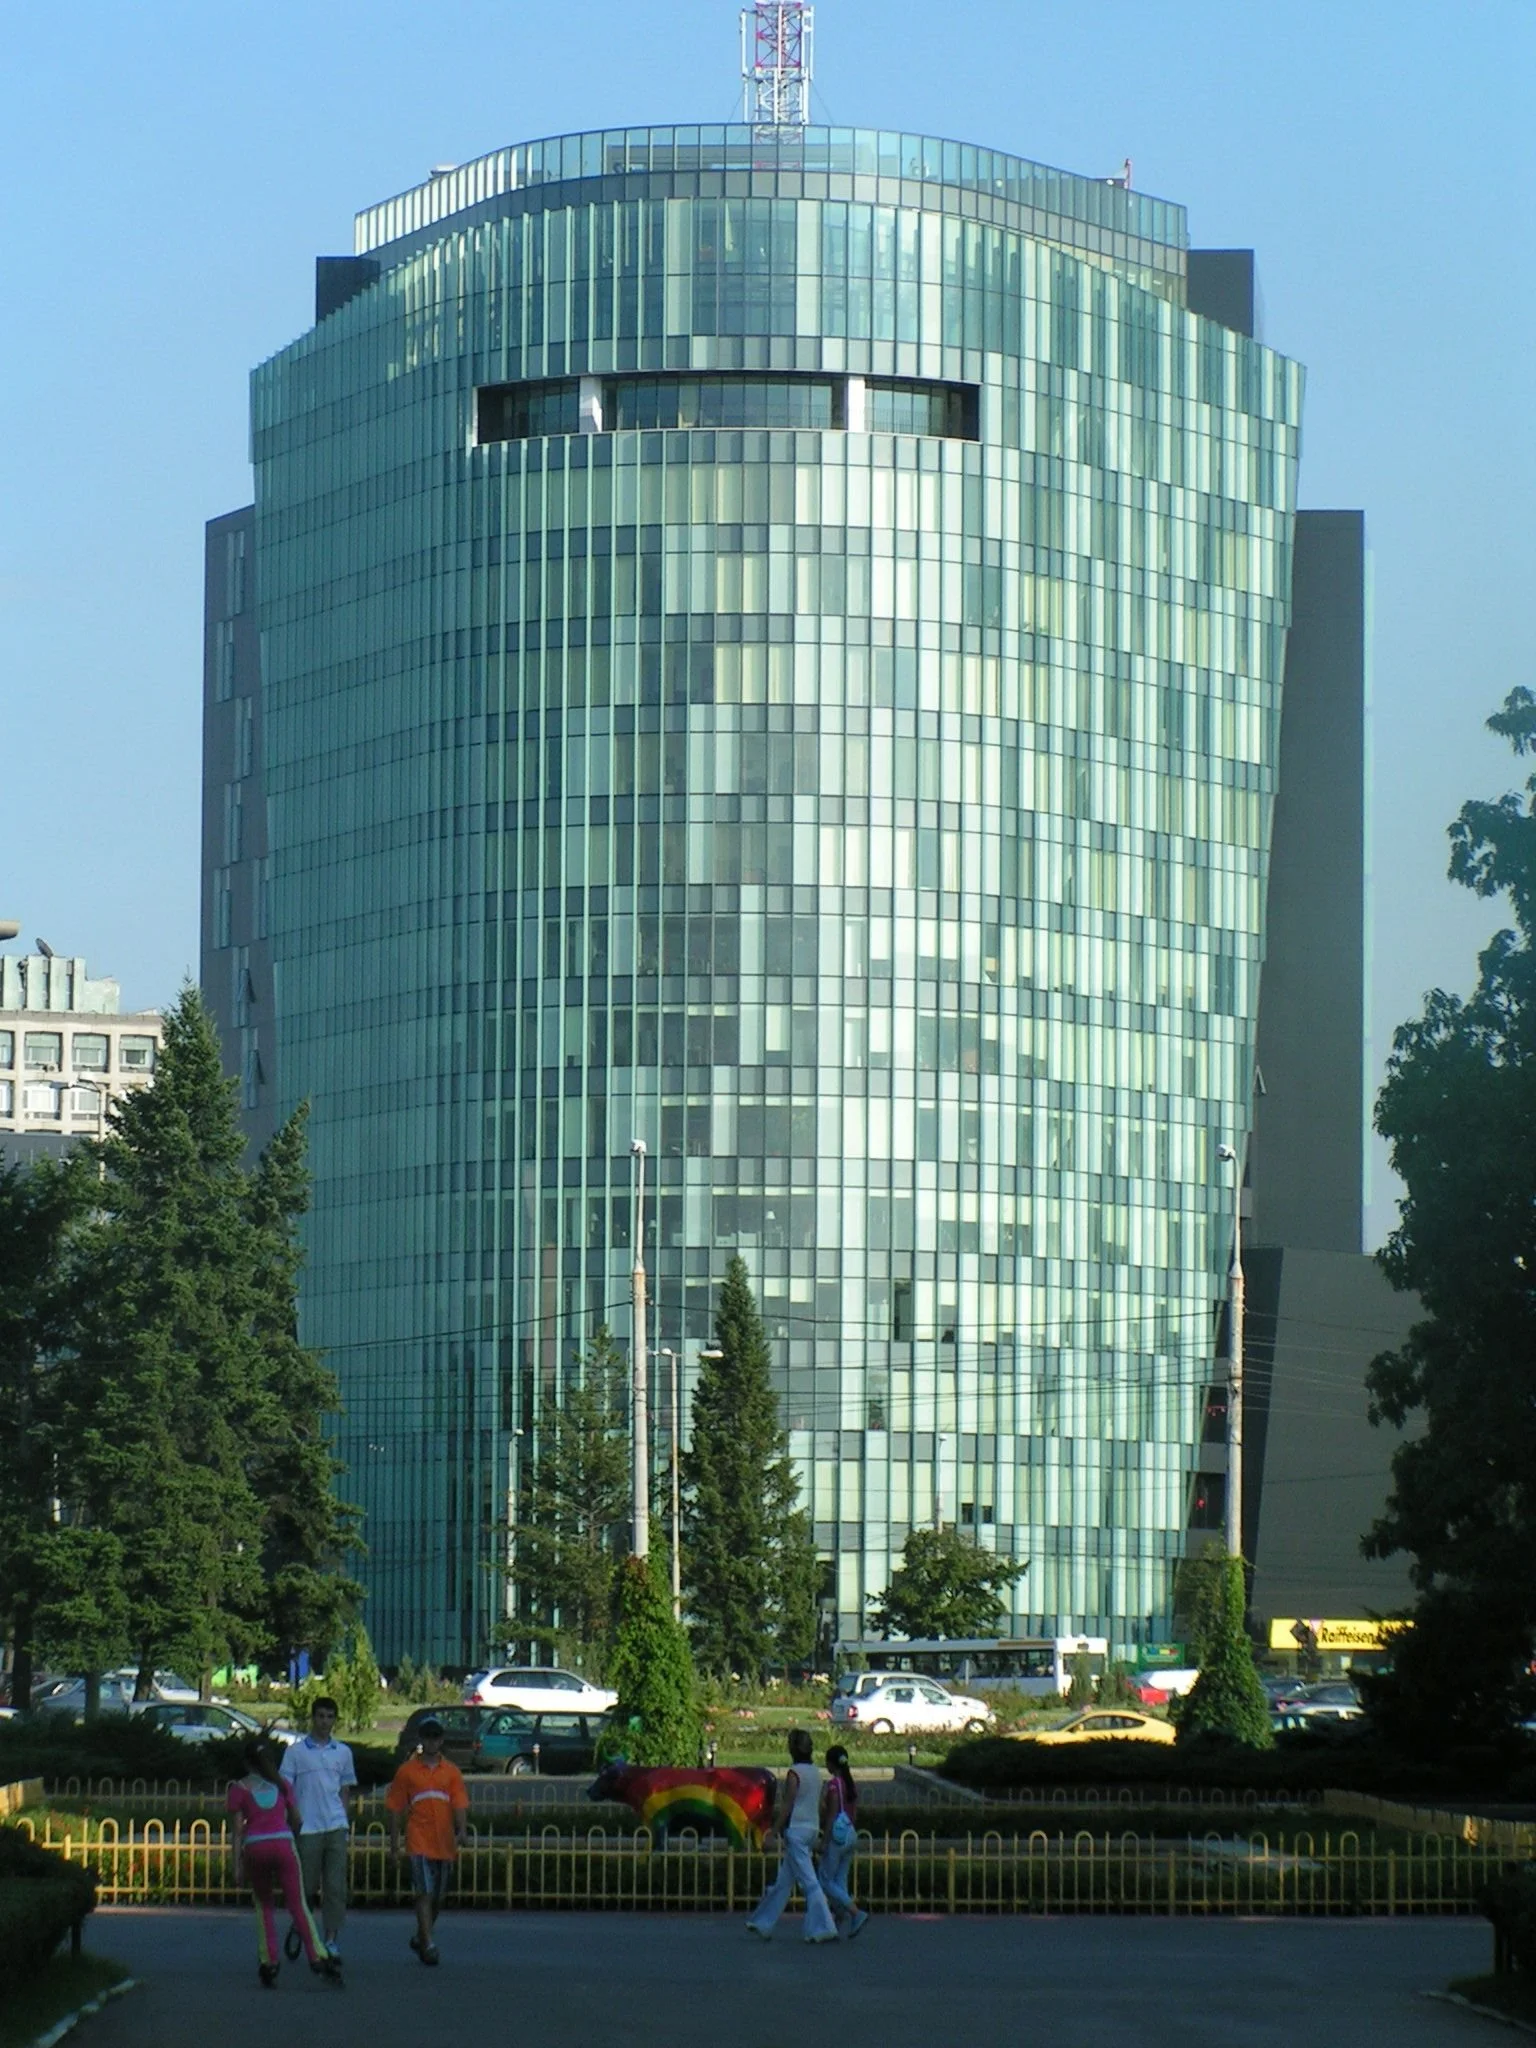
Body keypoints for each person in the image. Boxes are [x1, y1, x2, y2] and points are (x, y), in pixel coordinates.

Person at [227, 1738, 339, 1987]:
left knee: (264, 1905)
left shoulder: (238, 1789)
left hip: (255, 1847)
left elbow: (237, 1831)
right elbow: (297, 1820)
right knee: (297, 1904)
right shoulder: (282, 1785)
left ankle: (269, 1961)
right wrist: (291, 1837)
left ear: (246, 1763)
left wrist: (237, 1865)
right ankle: (317, 1956)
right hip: (283, 1844)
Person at [385, 1715, 469, 1965]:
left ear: (441, 1740)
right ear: (421, 1740)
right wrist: (394, 1846)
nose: (432, 1742)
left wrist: (462, 1829)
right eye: (428, 1737)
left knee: (438, 1897)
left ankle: (422, 1935)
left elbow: (459, 1802)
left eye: (436, 1737)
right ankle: (429, 1944)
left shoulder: (451, 1772)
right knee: (424, 1892)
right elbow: (395, 1808)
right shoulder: (407, 1771)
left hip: (443, 1841)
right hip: (418, 1840)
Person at [280, 1694, 358, 1964]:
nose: (325, 1722)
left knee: (335, 1887)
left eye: (330, 1717)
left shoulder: (343, 1752)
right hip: (308, 1827)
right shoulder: (295, 1753)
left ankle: (331, 1939)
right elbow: (286, 1790)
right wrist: (292, 1820)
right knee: (306, 1886)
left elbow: (345, 1789)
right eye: (321, 1716)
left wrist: (343, 1819)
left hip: (334, 1826)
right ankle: (300, 1924)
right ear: (313, 1718)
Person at [745, 1728, 838, 1944]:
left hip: (796, 1831)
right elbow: (819, 1804)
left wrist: (773, 1831)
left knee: (810, 1882)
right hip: (811, 1828)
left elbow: (788, 1804)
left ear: (793, 1749)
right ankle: (763, 1922)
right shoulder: (816, 1773)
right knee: (783, 1881)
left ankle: (824, 1926)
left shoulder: (794, 1773)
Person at [817, 1744, 868, 1939]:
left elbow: (831, 1816)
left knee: (825, 1880)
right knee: (840, 1881)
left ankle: (855, 1913)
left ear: (831, 1764)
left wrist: (824, 1841)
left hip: (837, 1837)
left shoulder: (833, 1785)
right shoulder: (850, 1784)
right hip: (850, 1834)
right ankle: (838, 1921)